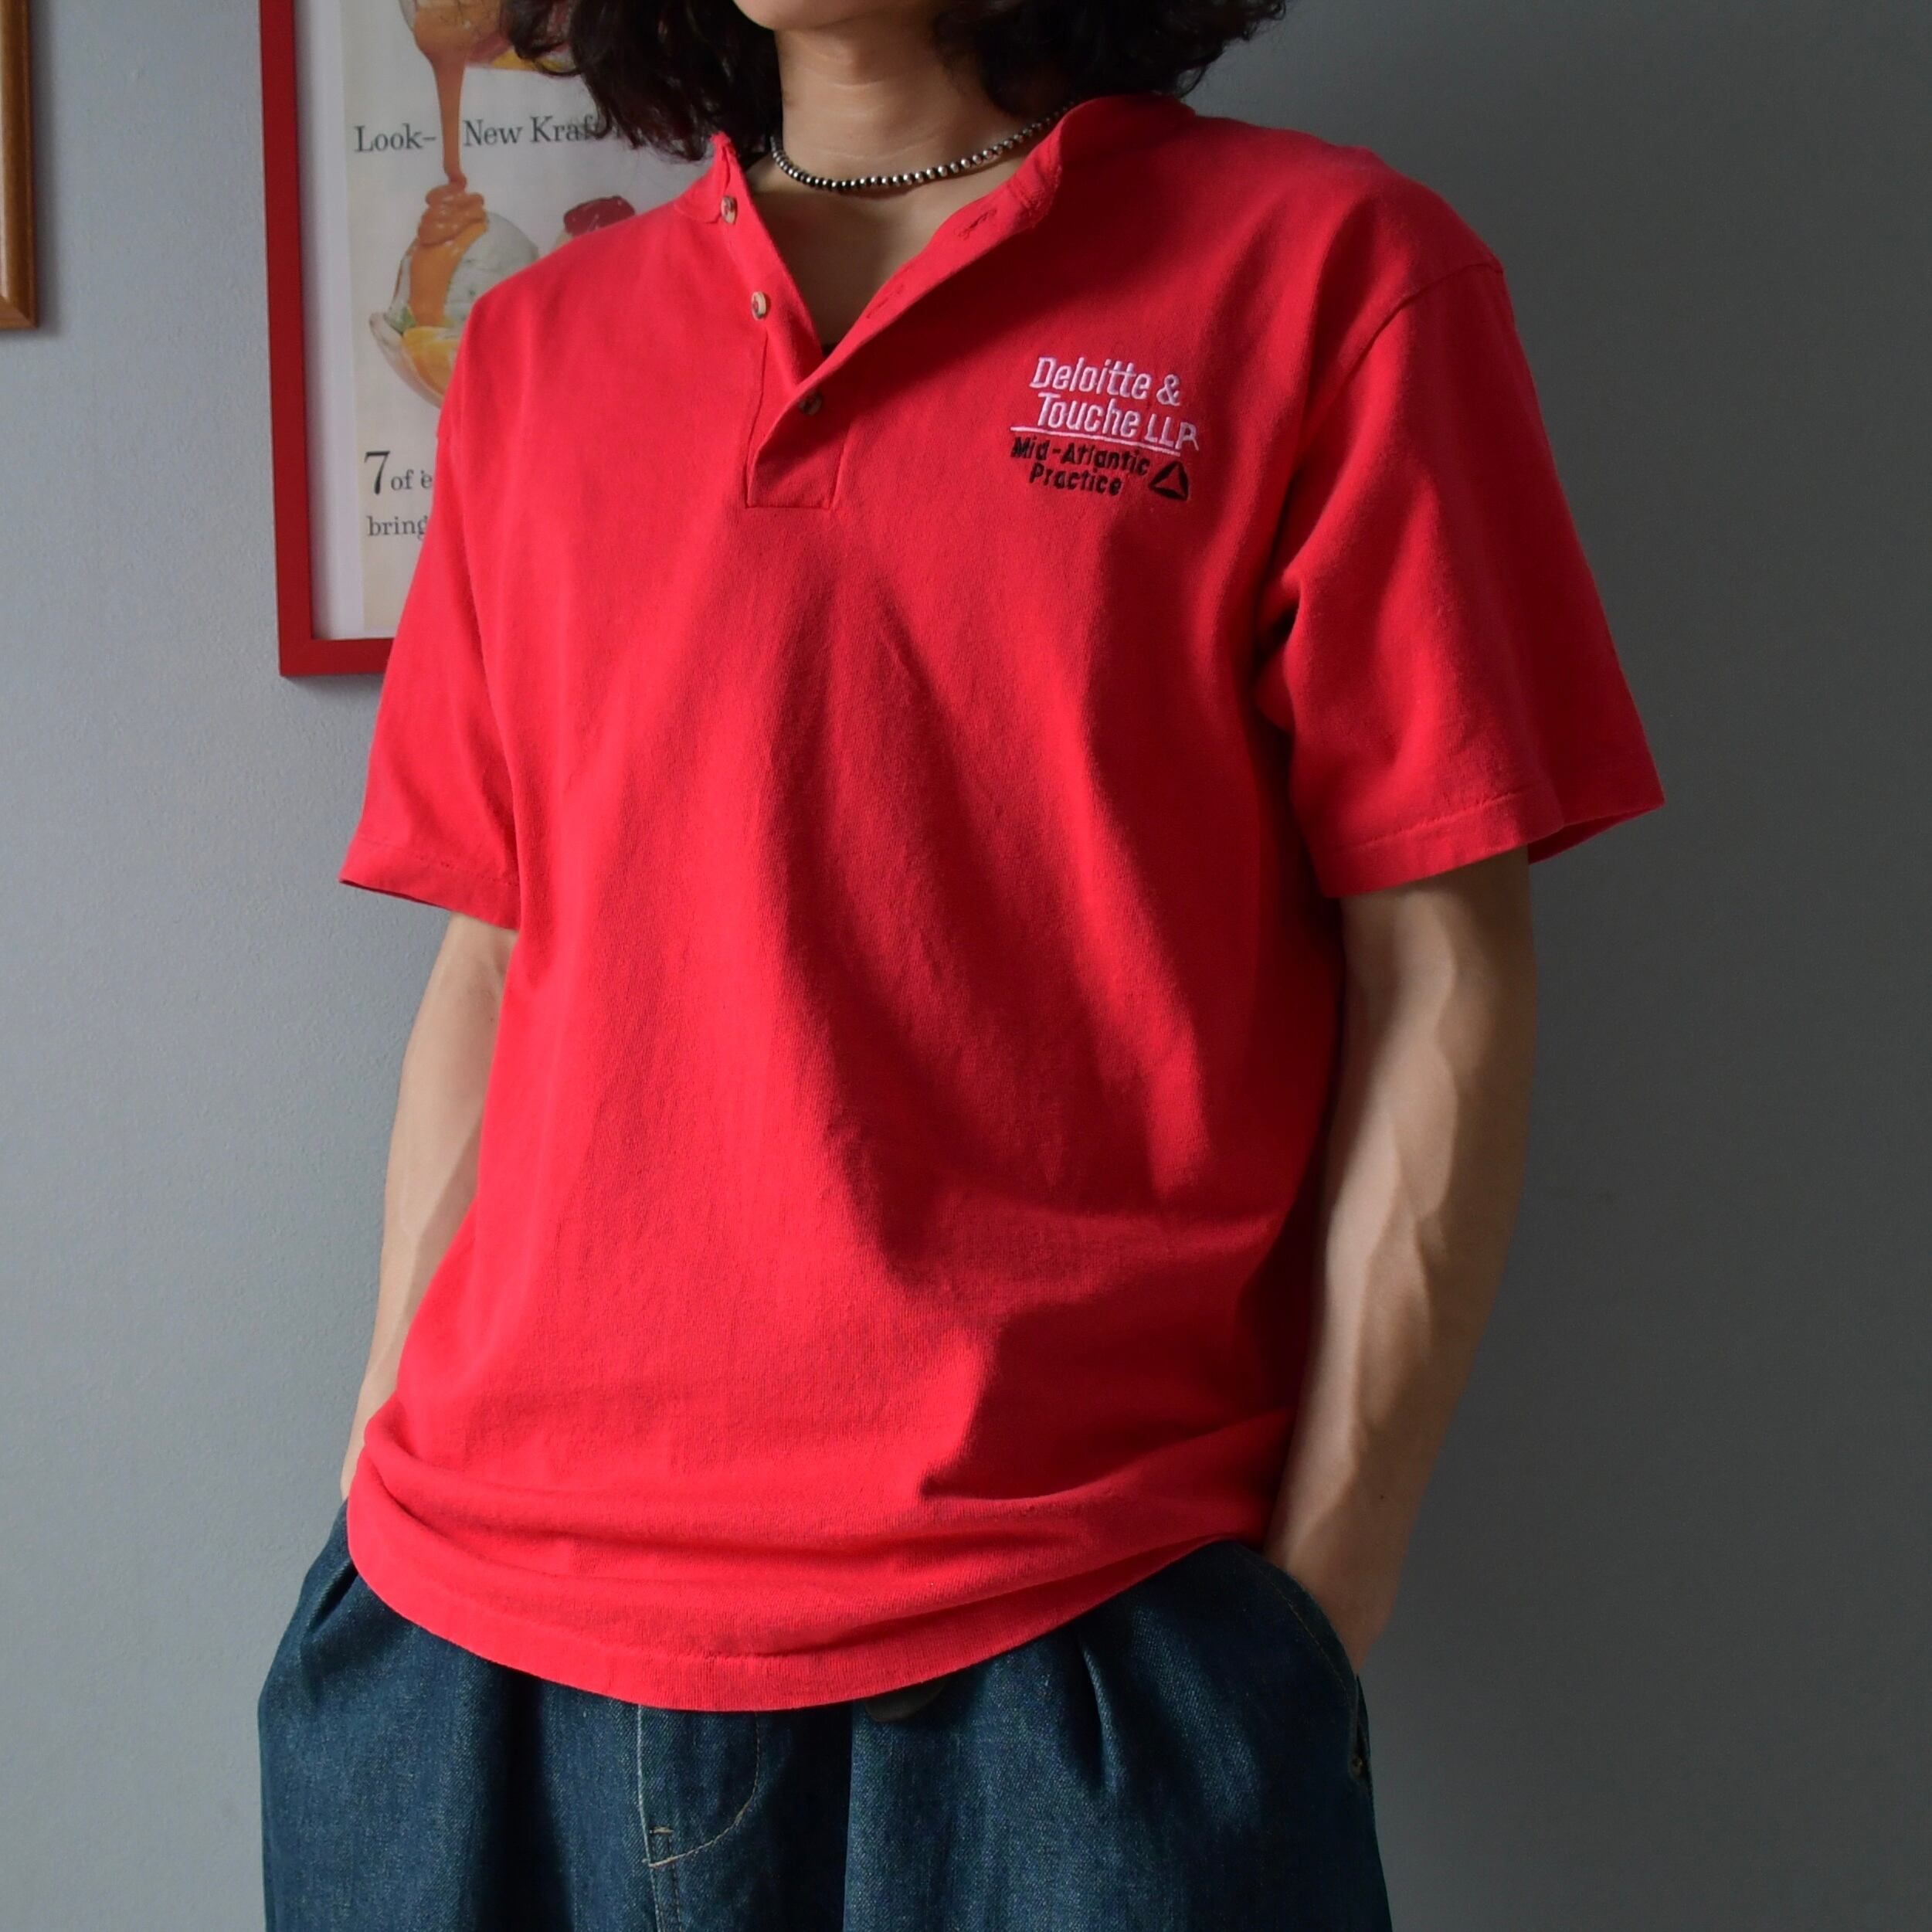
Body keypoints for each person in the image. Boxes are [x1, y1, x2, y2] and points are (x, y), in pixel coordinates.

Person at [258, 2, 1667, 1926]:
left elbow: (1441, 964)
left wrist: (1307, 1622)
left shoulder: (1330, 274)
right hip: (468, 1645)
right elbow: (495, 961)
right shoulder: (535, 347)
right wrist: (367, 1490)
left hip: (1071, 1652)